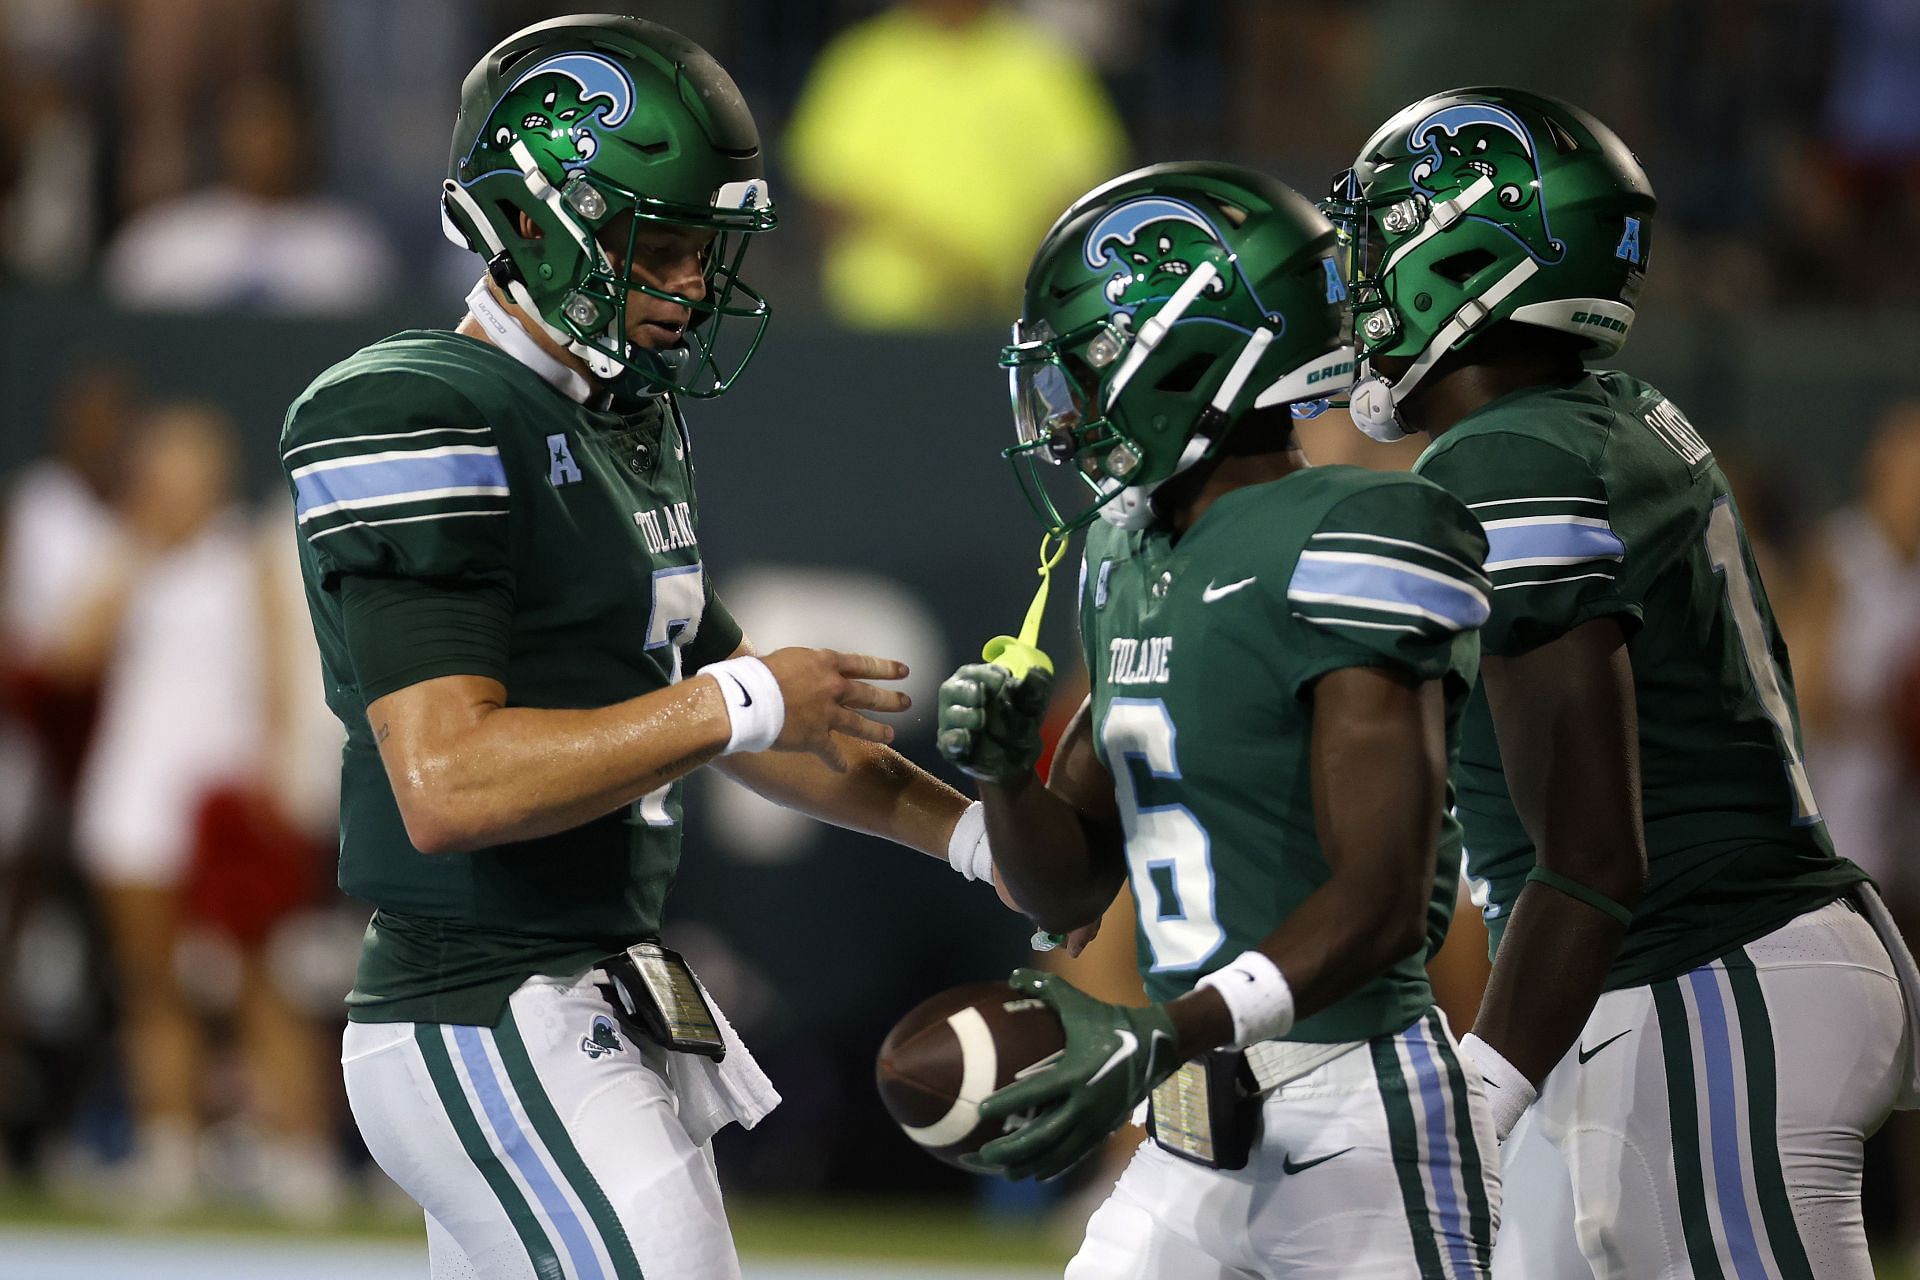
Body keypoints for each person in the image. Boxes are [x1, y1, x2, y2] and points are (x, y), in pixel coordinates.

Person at [281, 17, 1002, 1279]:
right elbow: (446, 783)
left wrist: (982, 842)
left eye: (698, 252)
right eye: (650, 247)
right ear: (530, 216)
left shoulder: (615, 418)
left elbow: (750, 721)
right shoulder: (416, 407)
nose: (682, 286)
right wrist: (734, 698)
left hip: (581, 987)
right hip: (483, 1000)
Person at [1324, 87, 1919, 1278]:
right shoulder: (1592, 416)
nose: (1361, 278)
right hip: (1687, 978)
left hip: (1700, 971)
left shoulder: (1511, 453)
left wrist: (1474, 1093)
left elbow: (1590, 853)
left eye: (1387, 240)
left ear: (1474, 260)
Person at [937, 161, 1500, 1277]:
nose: (1065, 401)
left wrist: (1171, 1026)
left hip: (1358, 1124)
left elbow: (1387, 902)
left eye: (1089, 362)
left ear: (1191, 356)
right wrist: (1006, 777)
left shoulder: (1350, 534)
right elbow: (1073, 887)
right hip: (1194, 1124)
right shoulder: (1123, 551)